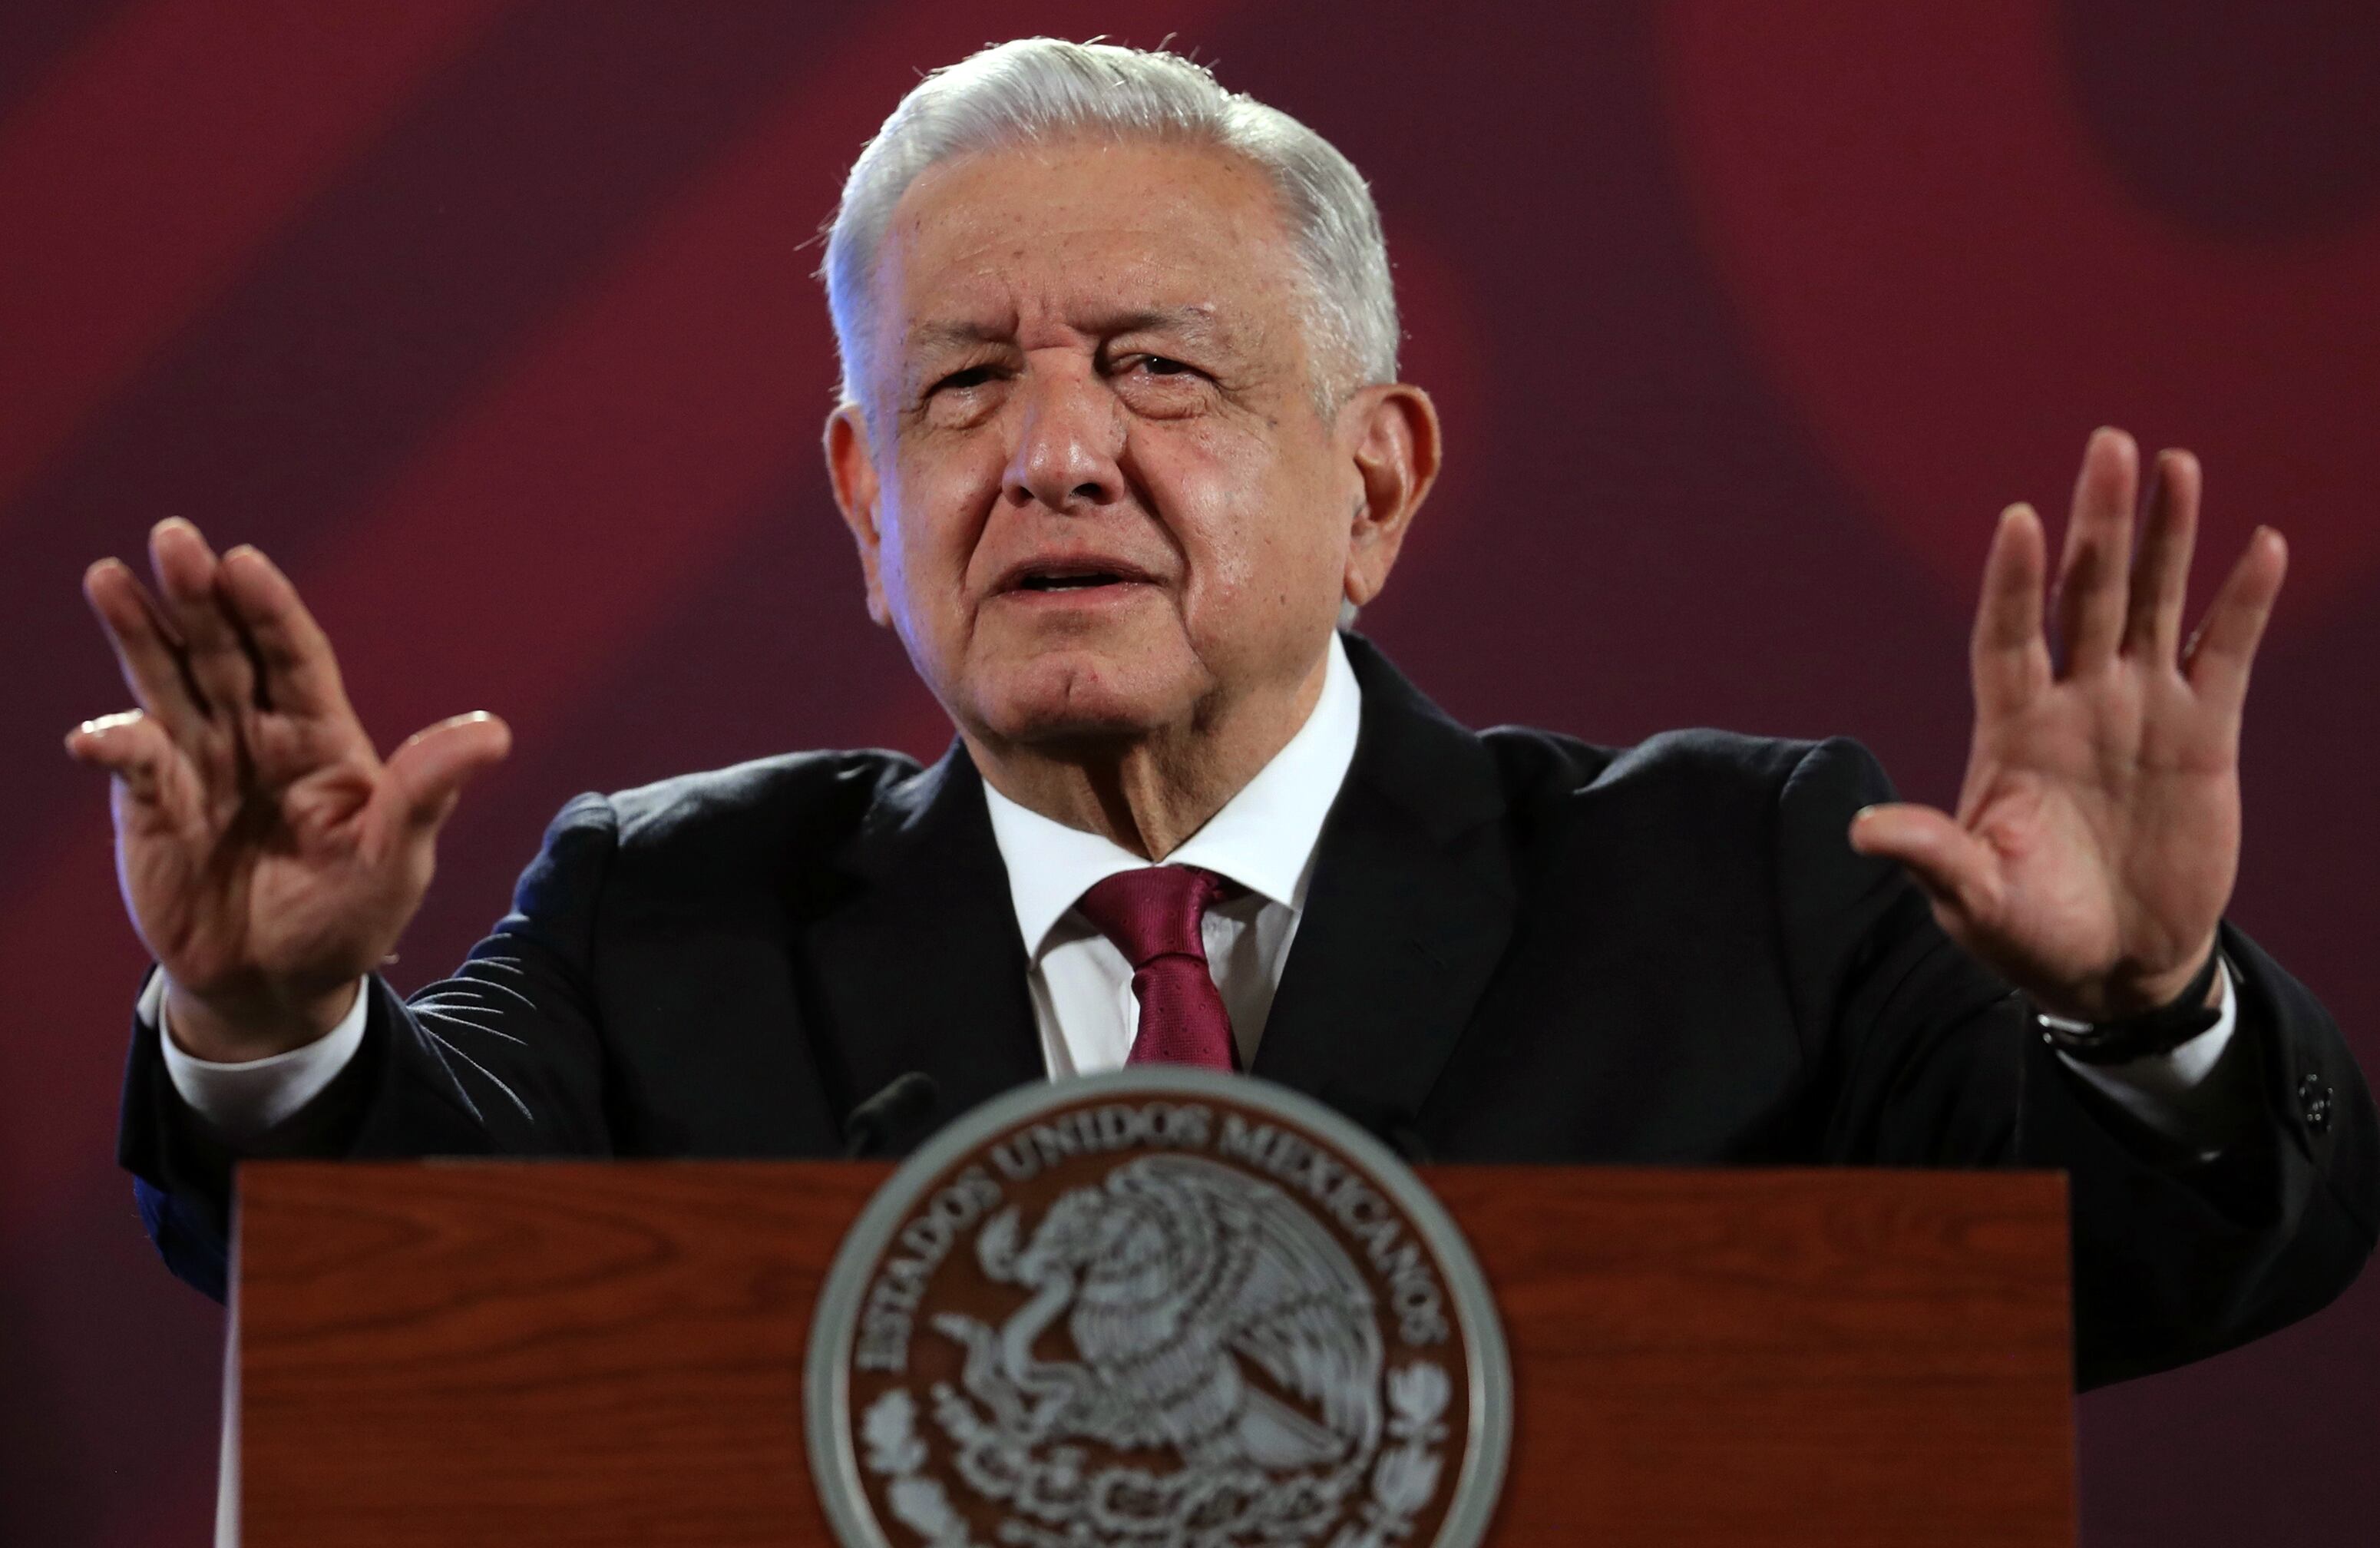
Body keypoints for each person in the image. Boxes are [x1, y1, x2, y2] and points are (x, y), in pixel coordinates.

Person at [72, 39, 2375, 1388]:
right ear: (868, 503)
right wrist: (268, 1017)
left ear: (1373, 478)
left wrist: (2150, 1016)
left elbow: (2156, 1262)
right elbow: (391, 1295)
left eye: (1153, 367)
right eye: (963, 385)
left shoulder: (1733, 891)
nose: (1053, 452)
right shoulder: (667, 914)